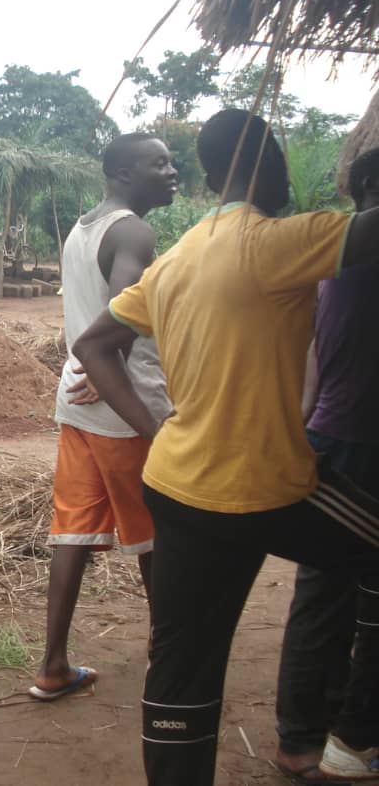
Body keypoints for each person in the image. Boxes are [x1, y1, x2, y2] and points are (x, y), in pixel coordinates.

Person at [70, 109, 379, 786]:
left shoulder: (179, 256)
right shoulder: (275, 242)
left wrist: (156, 430)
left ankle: (305, 741)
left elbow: (91, 345)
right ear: (265, 163)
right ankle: (354, 733)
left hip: (179, 486)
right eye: (280, 155)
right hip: (266, 492)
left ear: (210, 175)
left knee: (183, 668)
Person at [29, 133, 178, 701]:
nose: (171, 171)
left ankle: (52, 666)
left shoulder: (83, 227)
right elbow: (120, 315)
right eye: (158, 163)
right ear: (123, 174)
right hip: (122, 402)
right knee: (155, 535)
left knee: (73, 529)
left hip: (78, 397)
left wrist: (93, 367)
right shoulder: (133, 231)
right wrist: (110, 372)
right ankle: (171, 657)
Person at [275, 147, 379, 783]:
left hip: (335, 435)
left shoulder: (335, 259)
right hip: (354, 442)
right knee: (332, 591)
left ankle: (314, 732)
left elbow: (314, 358)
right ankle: (335, 737)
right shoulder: (352, 252)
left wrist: (306, 427)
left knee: (329, 590)